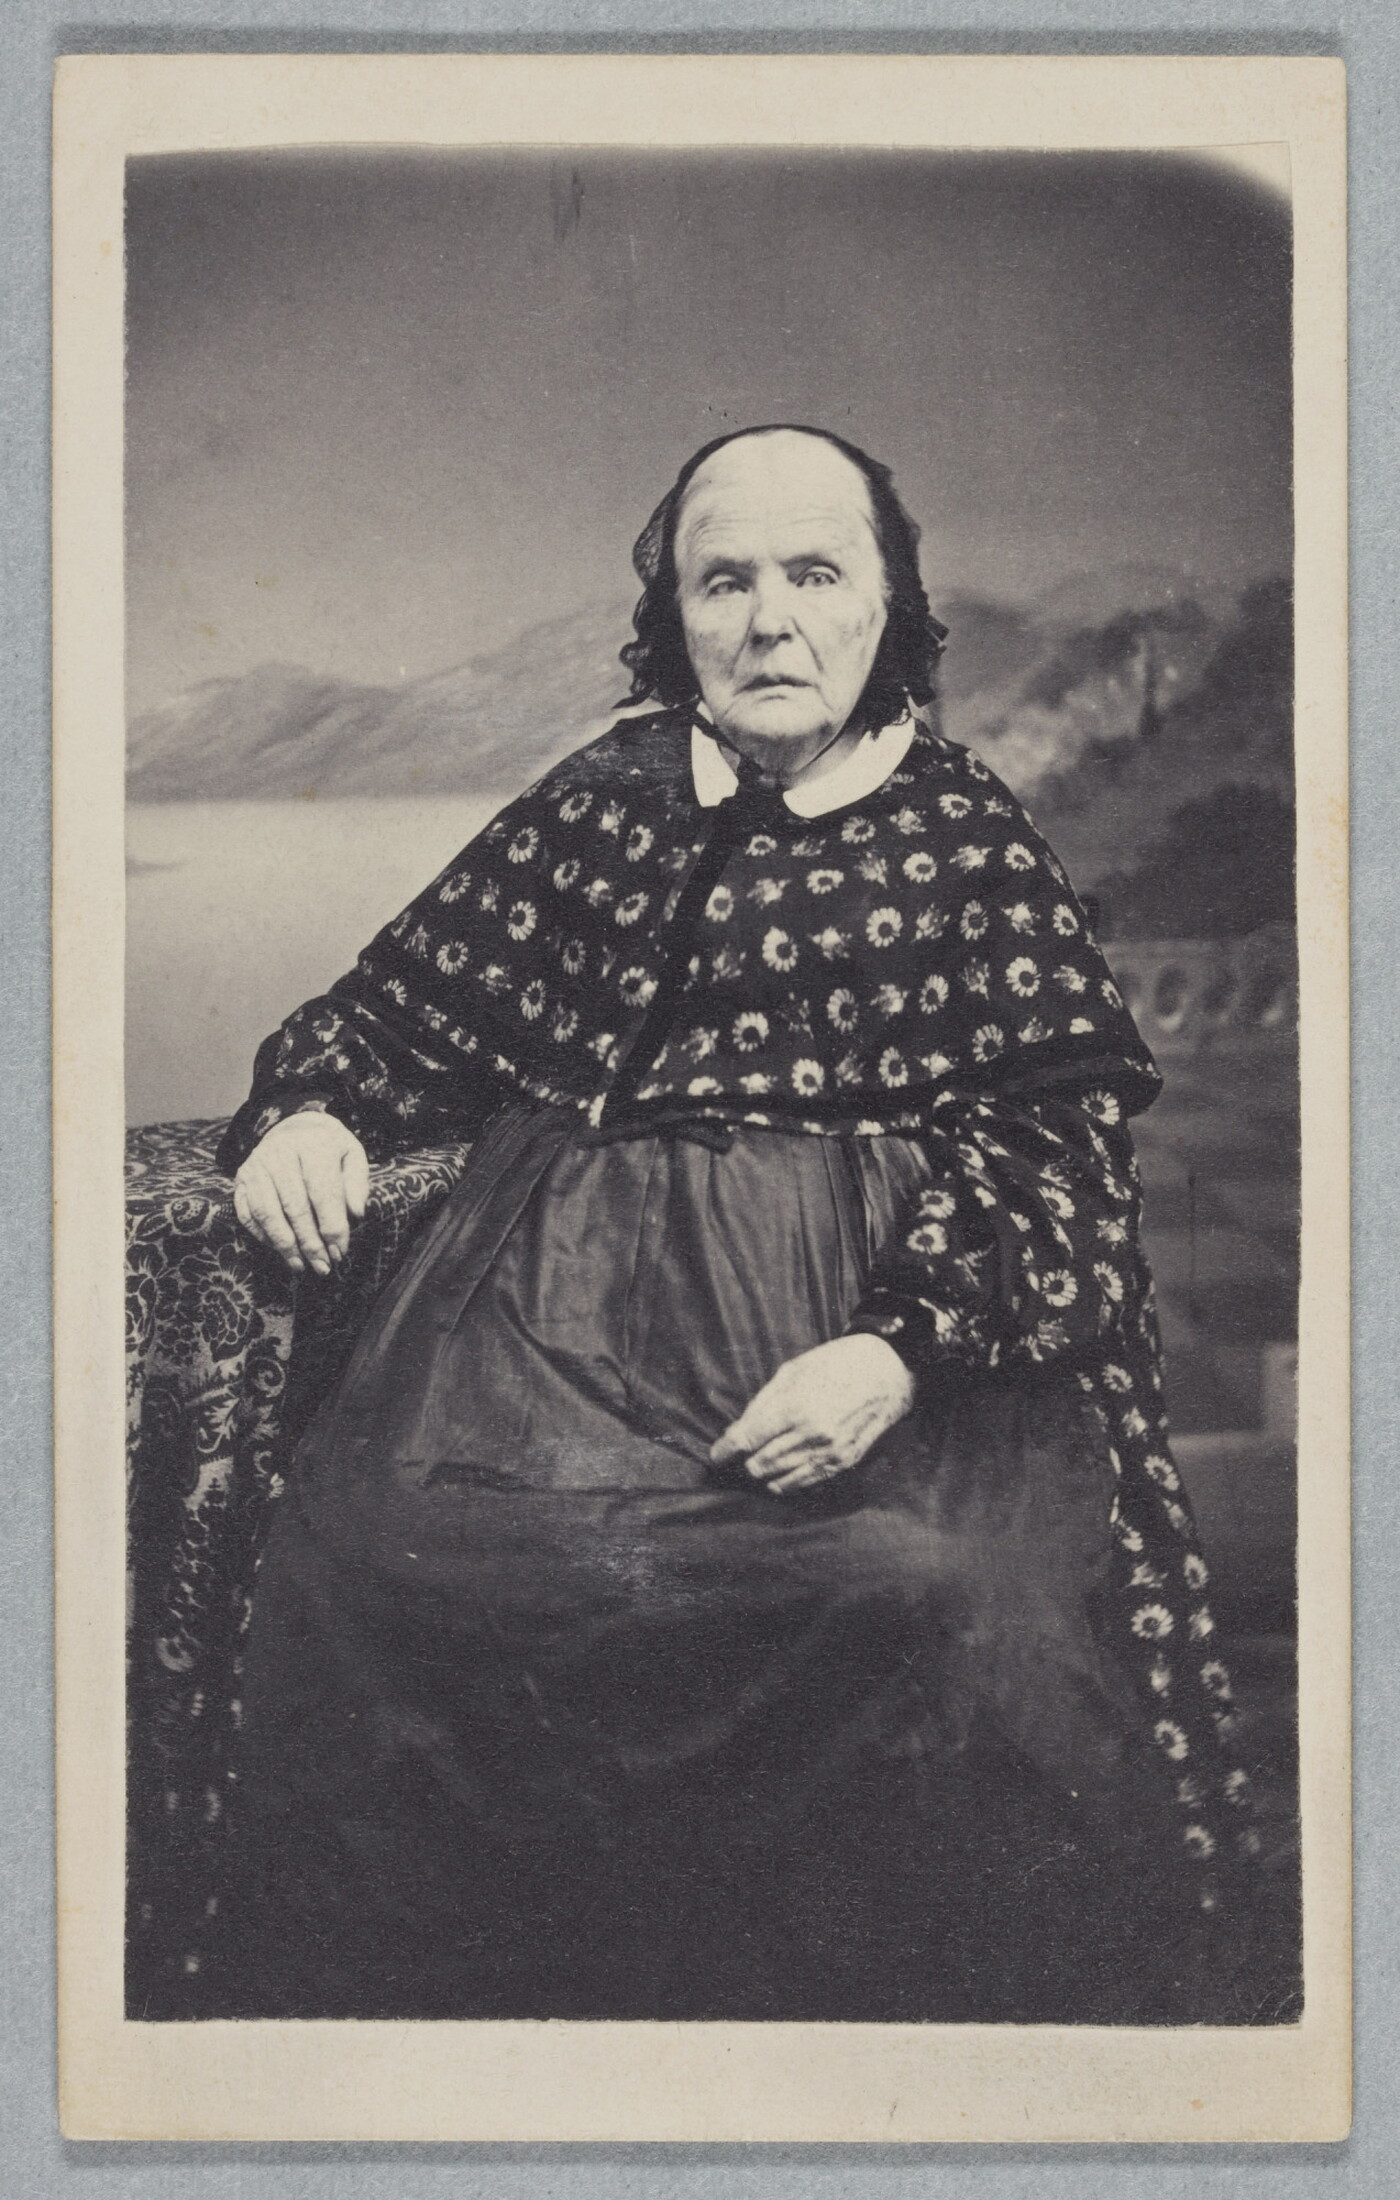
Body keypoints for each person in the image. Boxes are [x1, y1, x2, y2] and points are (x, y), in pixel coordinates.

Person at [215, 424, 1267, 2023]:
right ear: (678, 618)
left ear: (888, 605)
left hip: (864, 1347)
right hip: (545, 1344)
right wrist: (308, 1109)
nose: (771, 619)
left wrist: (898, 1352)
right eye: (726, 582)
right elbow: (390, 1013)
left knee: (928, 1598)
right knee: (387, 1560)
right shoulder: (603, 802)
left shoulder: (968, 835)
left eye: (816, 574)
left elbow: (1059, 1153)